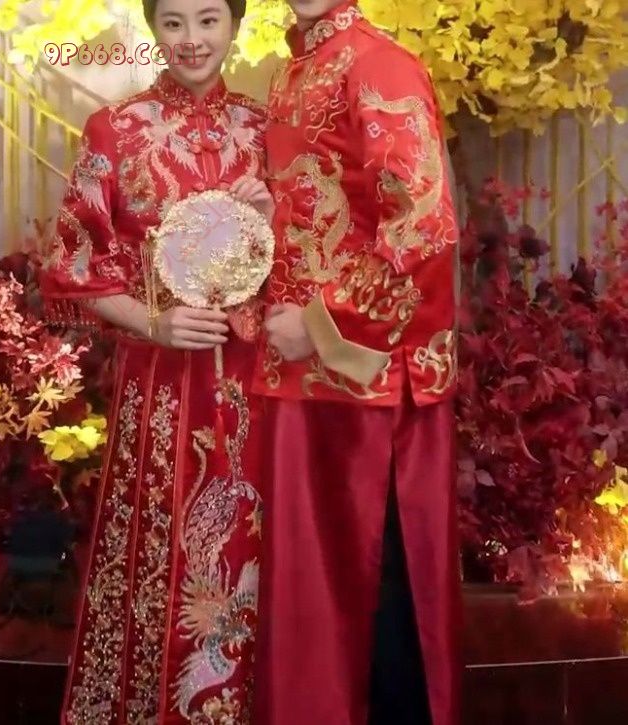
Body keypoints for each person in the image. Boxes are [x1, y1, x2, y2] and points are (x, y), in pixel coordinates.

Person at [39, 1, 272, 722]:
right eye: (173, 22)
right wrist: (154, 323)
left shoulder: (267, 132)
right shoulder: (115, 129)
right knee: (160, 549)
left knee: (257, 548)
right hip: (162, 385)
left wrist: (272, 218)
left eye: (208, 20)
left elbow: (304, 270)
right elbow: (71, 264)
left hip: (256, 384)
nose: (192, 40)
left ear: (235, 23)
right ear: (151, 26)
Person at [252, 2, 461, 725]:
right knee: (317, 607)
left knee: (375, 611)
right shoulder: (294, 70)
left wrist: (319, 325)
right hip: (303, 378)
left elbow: (422, 229)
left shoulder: (379, 65)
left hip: (366, 383)